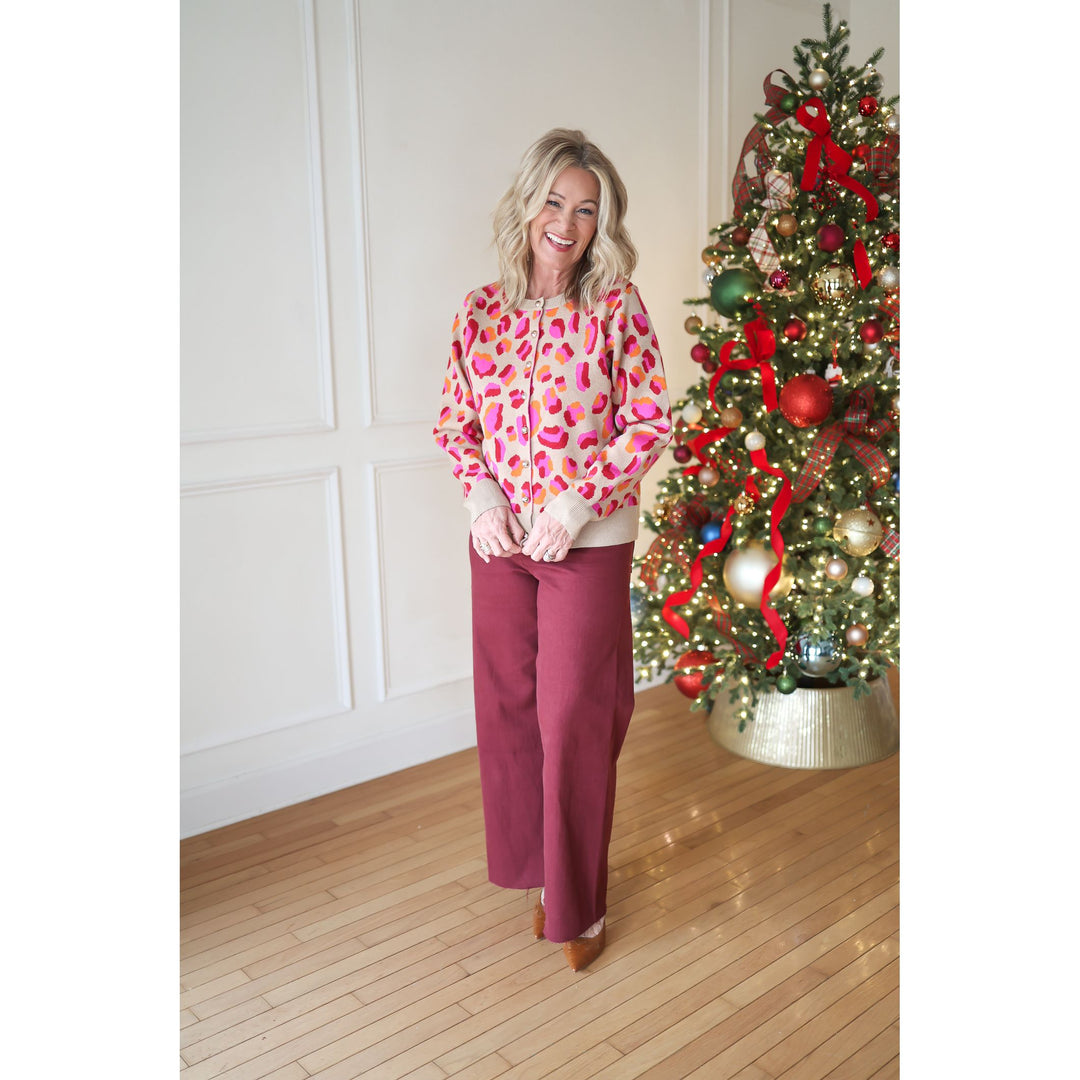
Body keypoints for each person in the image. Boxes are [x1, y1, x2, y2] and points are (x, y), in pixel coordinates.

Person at [433, 129, 672, 972]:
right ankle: (540, 878)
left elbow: (649, 420)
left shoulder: (617, 306)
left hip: (586, 542)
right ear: (528, 204)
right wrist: (482, 495)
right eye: (555, 202)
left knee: (574, 718)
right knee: (507, 713)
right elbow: (456, 423)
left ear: (601, 224)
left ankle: (582, 901)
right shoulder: (479, 311)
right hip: (500, 542)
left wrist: (576, 504)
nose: (566, 223)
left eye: (586, 210)